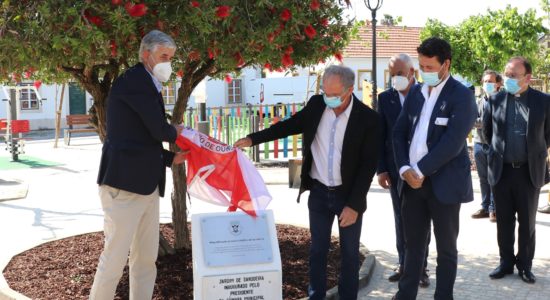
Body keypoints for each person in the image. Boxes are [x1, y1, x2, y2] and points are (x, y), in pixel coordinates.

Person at [234, 65, 380, 300]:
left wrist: (354, 205)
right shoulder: (316, 105)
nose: (328, 98)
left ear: (350, 90)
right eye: (325, 92)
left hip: (348, 196)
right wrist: (253, 139)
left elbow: (368, 166)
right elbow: (289, 126)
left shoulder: (368, 119)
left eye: (334, 95)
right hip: (320, 193)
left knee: (351, 255)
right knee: (317, 251)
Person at [90, 30, 187, 299]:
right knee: (114, 258)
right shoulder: (136, 81)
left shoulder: (146, 82)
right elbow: (158, 130)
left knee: (145, 260)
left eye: (171, 58)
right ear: (146, 55)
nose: (168, 62)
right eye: (163, 56)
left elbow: (139, 135)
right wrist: (178, 131)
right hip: (124, 187)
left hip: (146, 186)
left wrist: (169, 158)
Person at [392, 37, 477, 300]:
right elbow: (398, 133)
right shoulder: (417, 93)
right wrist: (405, 168)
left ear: (445, 64)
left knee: (446, 250)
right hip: (412, 184)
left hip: (444, 185)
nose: (423, 72)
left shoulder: (462, 97)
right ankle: (405, 295)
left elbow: (452, 143)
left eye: (429, 67)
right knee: (413, 246)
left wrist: (420, 170)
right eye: (420, 66)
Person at [483, 57, 550, 284]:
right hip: (502, 171)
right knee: (503, 220)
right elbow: (487, 133)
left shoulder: (544, 102)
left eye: (513, 76)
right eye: (506, 75)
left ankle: (525, 265)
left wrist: (535, 152)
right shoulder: (495, 100)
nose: (507, 80)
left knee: (527, 222)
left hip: (528, 171)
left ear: (527, 78)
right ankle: (505, 262)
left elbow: (547, 136)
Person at [377, 53, 430, 287]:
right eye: (391, 74)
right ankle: (403, 263)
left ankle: (421, 268)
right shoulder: (385, 98)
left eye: (399, 73)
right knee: (400, 218)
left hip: (421, 170)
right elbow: (381, 136)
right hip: (395, 169)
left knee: (421, 220)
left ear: (412, 72)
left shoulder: (426, 93)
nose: (395, 78)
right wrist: (381, 169)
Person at [471, 70, 502, 222]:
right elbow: (471, 120)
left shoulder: (503, 101)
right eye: (485, 81)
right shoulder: (478, 100)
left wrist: (482, 123)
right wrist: (484, 123)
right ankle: (484, 206)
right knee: (483, 178)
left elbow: (500, 123)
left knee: (494, 178)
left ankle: (493, 208)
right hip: (478, 143)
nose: (487, 84)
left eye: (490, 81)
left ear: (498, 84)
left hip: (495, 145)